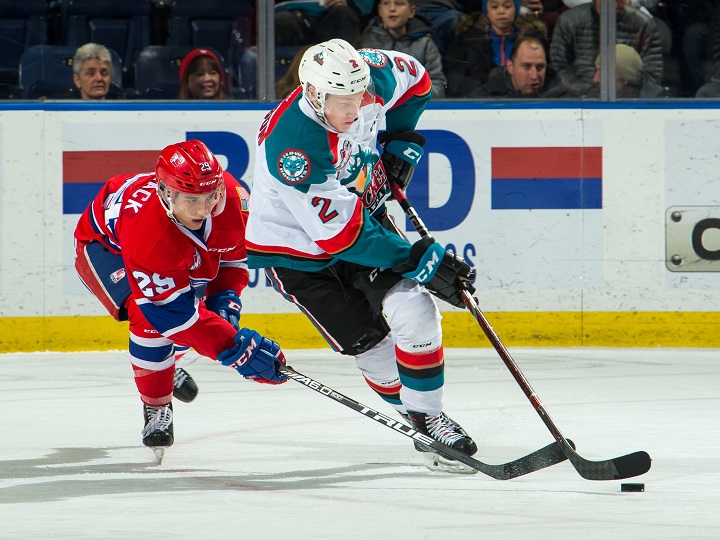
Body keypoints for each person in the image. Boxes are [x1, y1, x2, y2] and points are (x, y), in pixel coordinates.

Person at [246, 38, 478, 473]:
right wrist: (419, 259)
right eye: (342, 102)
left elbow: (417, 80)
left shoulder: (367, 77)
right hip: (297, 255)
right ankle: (416, 416)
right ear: (314, 94)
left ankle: (430, 419)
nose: (354, 111)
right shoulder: (294, 146)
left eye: (359, 97)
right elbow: (340, 237)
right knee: (372, 348)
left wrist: (401, 143)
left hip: (358, 223)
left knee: (415, 311)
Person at [74, 140, 287, 461]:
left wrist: (226, 304)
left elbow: (234, 256)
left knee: (203, 319)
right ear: (166, 194)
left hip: (165, 244)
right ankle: (156, 406)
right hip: (105, 248)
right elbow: (172, 316)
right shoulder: (148, 233)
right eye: (192, 200)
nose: (203, 209)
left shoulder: (231, 199)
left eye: (210, 197)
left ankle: (166, 362)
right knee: (149, 322)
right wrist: (234, 350)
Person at [549, 0, 664, 97]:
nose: (614, 3)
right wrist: (584, 92)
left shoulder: (643, 24)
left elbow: (652, 72)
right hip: (577, 97)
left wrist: (629, 92)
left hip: (628, 98)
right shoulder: (569, 21)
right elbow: (558, 66)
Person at [444, 0, 547, 97]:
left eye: (507, 6)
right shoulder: (468, 39)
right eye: (494, 6)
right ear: (486, 11)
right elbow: (456, 78)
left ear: (516, 9)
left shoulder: (533, 38)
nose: (501, 11)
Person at [359, 0, 447, 97]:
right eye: (386, 3)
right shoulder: (366, 42)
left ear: (412, 11)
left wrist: (413, 99)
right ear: (379, 10)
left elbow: (437, 84)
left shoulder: (425, 44)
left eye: (399, 3)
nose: (392, 9)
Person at [477, 35, 566, 97]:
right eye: (526, 66)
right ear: (510, 67)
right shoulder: (487, 96)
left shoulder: (560, 94)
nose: (534, 76)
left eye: (540, 67)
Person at [275, 0, 376, 47]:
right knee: (283, 20)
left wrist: (349, 2)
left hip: (333, 17)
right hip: (292, 15)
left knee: (343, 13)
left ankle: (347, 72)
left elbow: (366, 5)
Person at [587, 43, 670, 98]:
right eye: (596, 71)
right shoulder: (594, 96)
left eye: (603, 73)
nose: (595, 79)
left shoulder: (658, 103)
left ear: (626, 77)